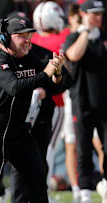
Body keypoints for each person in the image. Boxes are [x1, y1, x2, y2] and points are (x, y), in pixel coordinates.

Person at [0, 17, 67, 203]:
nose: (27, 40)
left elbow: (54, 84)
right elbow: (13, 87)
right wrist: (46, 72)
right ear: (5, 38)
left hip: (17, 131)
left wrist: (57, 72)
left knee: (38, 177)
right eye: (21, 36)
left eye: (28, 35)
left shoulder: (29, 58)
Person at [63, 0, 107, 202]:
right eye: (93, 13)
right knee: (83, 149)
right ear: (83, 14)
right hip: (82, 101)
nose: (98, 17)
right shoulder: (75, 36)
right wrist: (85, 32)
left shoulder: (104, 37)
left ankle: (105, 183)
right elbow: (73, 55)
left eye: (100, 14)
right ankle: (85, 192)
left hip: (104, 102)